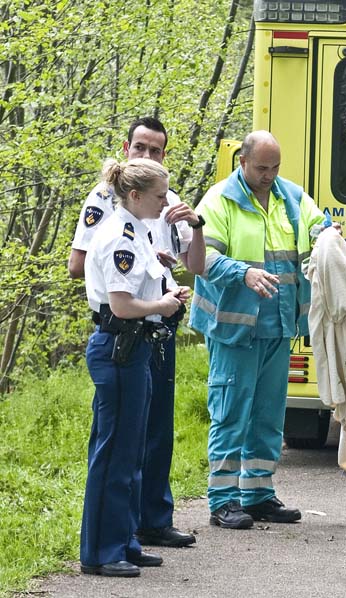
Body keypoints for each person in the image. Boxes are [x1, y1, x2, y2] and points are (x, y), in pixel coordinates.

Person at [69, 117, 204, 548]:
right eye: (140, 147)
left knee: (142, 438)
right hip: (122, 337)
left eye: (156, 149)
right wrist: (157, 300)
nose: (147, 155)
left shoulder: (150, 216)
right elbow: (112, 290)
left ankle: (135, 531)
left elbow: (182, 264)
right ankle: (105, 546)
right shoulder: (113, 215)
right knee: (116, 448)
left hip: (148, 338)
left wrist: (165, 280)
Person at [190, 130, 327, 529]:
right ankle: (223, 500)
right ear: (243, 162)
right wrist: (244, 272)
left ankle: (258, 494)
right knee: (231, 413)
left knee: (268, 416)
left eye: (275, 167)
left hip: (279, 326)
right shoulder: (219, 200)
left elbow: (320, 226)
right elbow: (203, 257)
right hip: (235, 330)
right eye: (262, 168)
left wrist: (330, 236)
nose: (269, 175)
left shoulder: (292, 198)